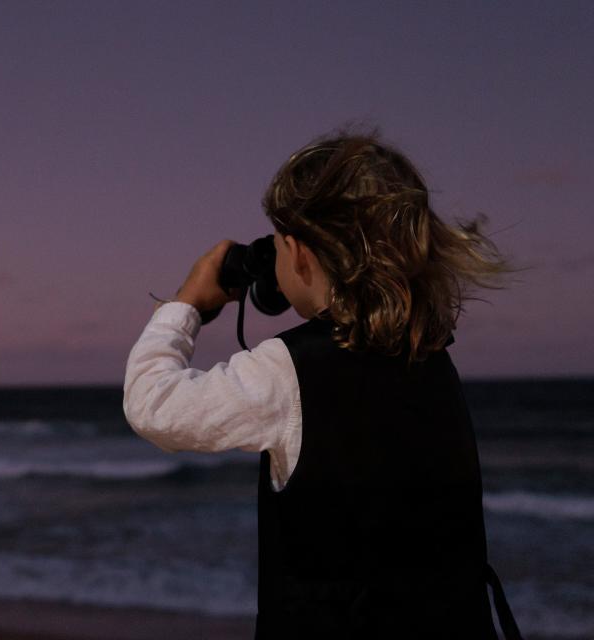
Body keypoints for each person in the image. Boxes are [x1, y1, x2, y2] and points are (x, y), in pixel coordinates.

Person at [122, 128, 523, 639]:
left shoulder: (290, 369)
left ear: (302, 253)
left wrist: (184, 306)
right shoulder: (432, 356)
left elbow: (152, 404)